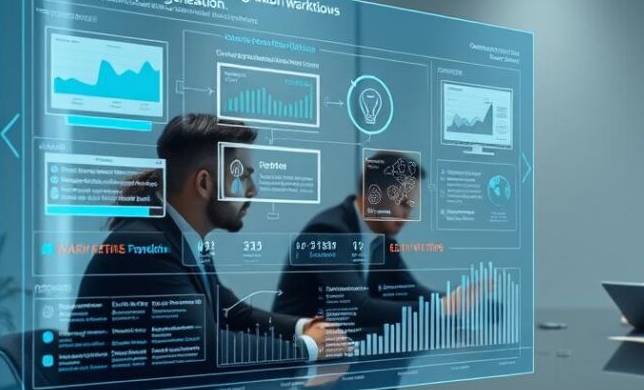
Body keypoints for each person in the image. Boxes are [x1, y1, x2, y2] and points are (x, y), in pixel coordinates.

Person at [71, 114, 338, 365]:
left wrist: (303, 327)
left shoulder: (183, 238)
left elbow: (232, 313)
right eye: (243, 177)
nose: (253, 191)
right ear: (203, 184)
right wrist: (308, 348)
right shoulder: (145, 247)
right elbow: (207, 349)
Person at [275, 152, 482, 339]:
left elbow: (414, 292)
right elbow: (358, 308)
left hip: (338, 353)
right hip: (296, 356)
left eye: (411, 206)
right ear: (372, 194)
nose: (408, 216)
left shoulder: (382, 242)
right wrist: (440, 308)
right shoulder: (326, 232)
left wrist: (468, 303)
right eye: (403, 203)